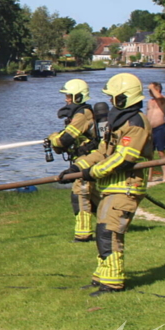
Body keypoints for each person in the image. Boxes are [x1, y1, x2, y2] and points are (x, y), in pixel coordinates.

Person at [62, 73, 154, 297]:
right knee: (103, 230)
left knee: (109, 232)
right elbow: (103, 151)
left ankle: (112, 283)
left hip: (127, 186)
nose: (111, 102)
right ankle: (101, 278)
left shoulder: (136, 123)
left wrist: (93, 172)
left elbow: (124, 158)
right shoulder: (119, 121)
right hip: (112, 187)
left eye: (114, 98)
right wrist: (77, 167)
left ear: (123, 99)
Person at [46, 79, 98, 242]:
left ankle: (83, 234)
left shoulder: (83, 115)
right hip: (84, 159)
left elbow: (65, 139)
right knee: (95, 197)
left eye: (69, 96)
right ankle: (114, 223)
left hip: (88, 160)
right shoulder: (78, 114)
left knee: (80, 194)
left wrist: (54, 138)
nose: (66, 99)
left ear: (77, 96)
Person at [147, 81, 165, 182]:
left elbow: (159, 97)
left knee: (161, 153)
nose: (150, 91)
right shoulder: (149, 101)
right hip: (150, 129)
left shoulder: (163, 99)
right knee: (149, 153)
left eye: (152, 90)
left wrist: (152, 87)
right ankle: (149, 176)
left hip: (160, 128)